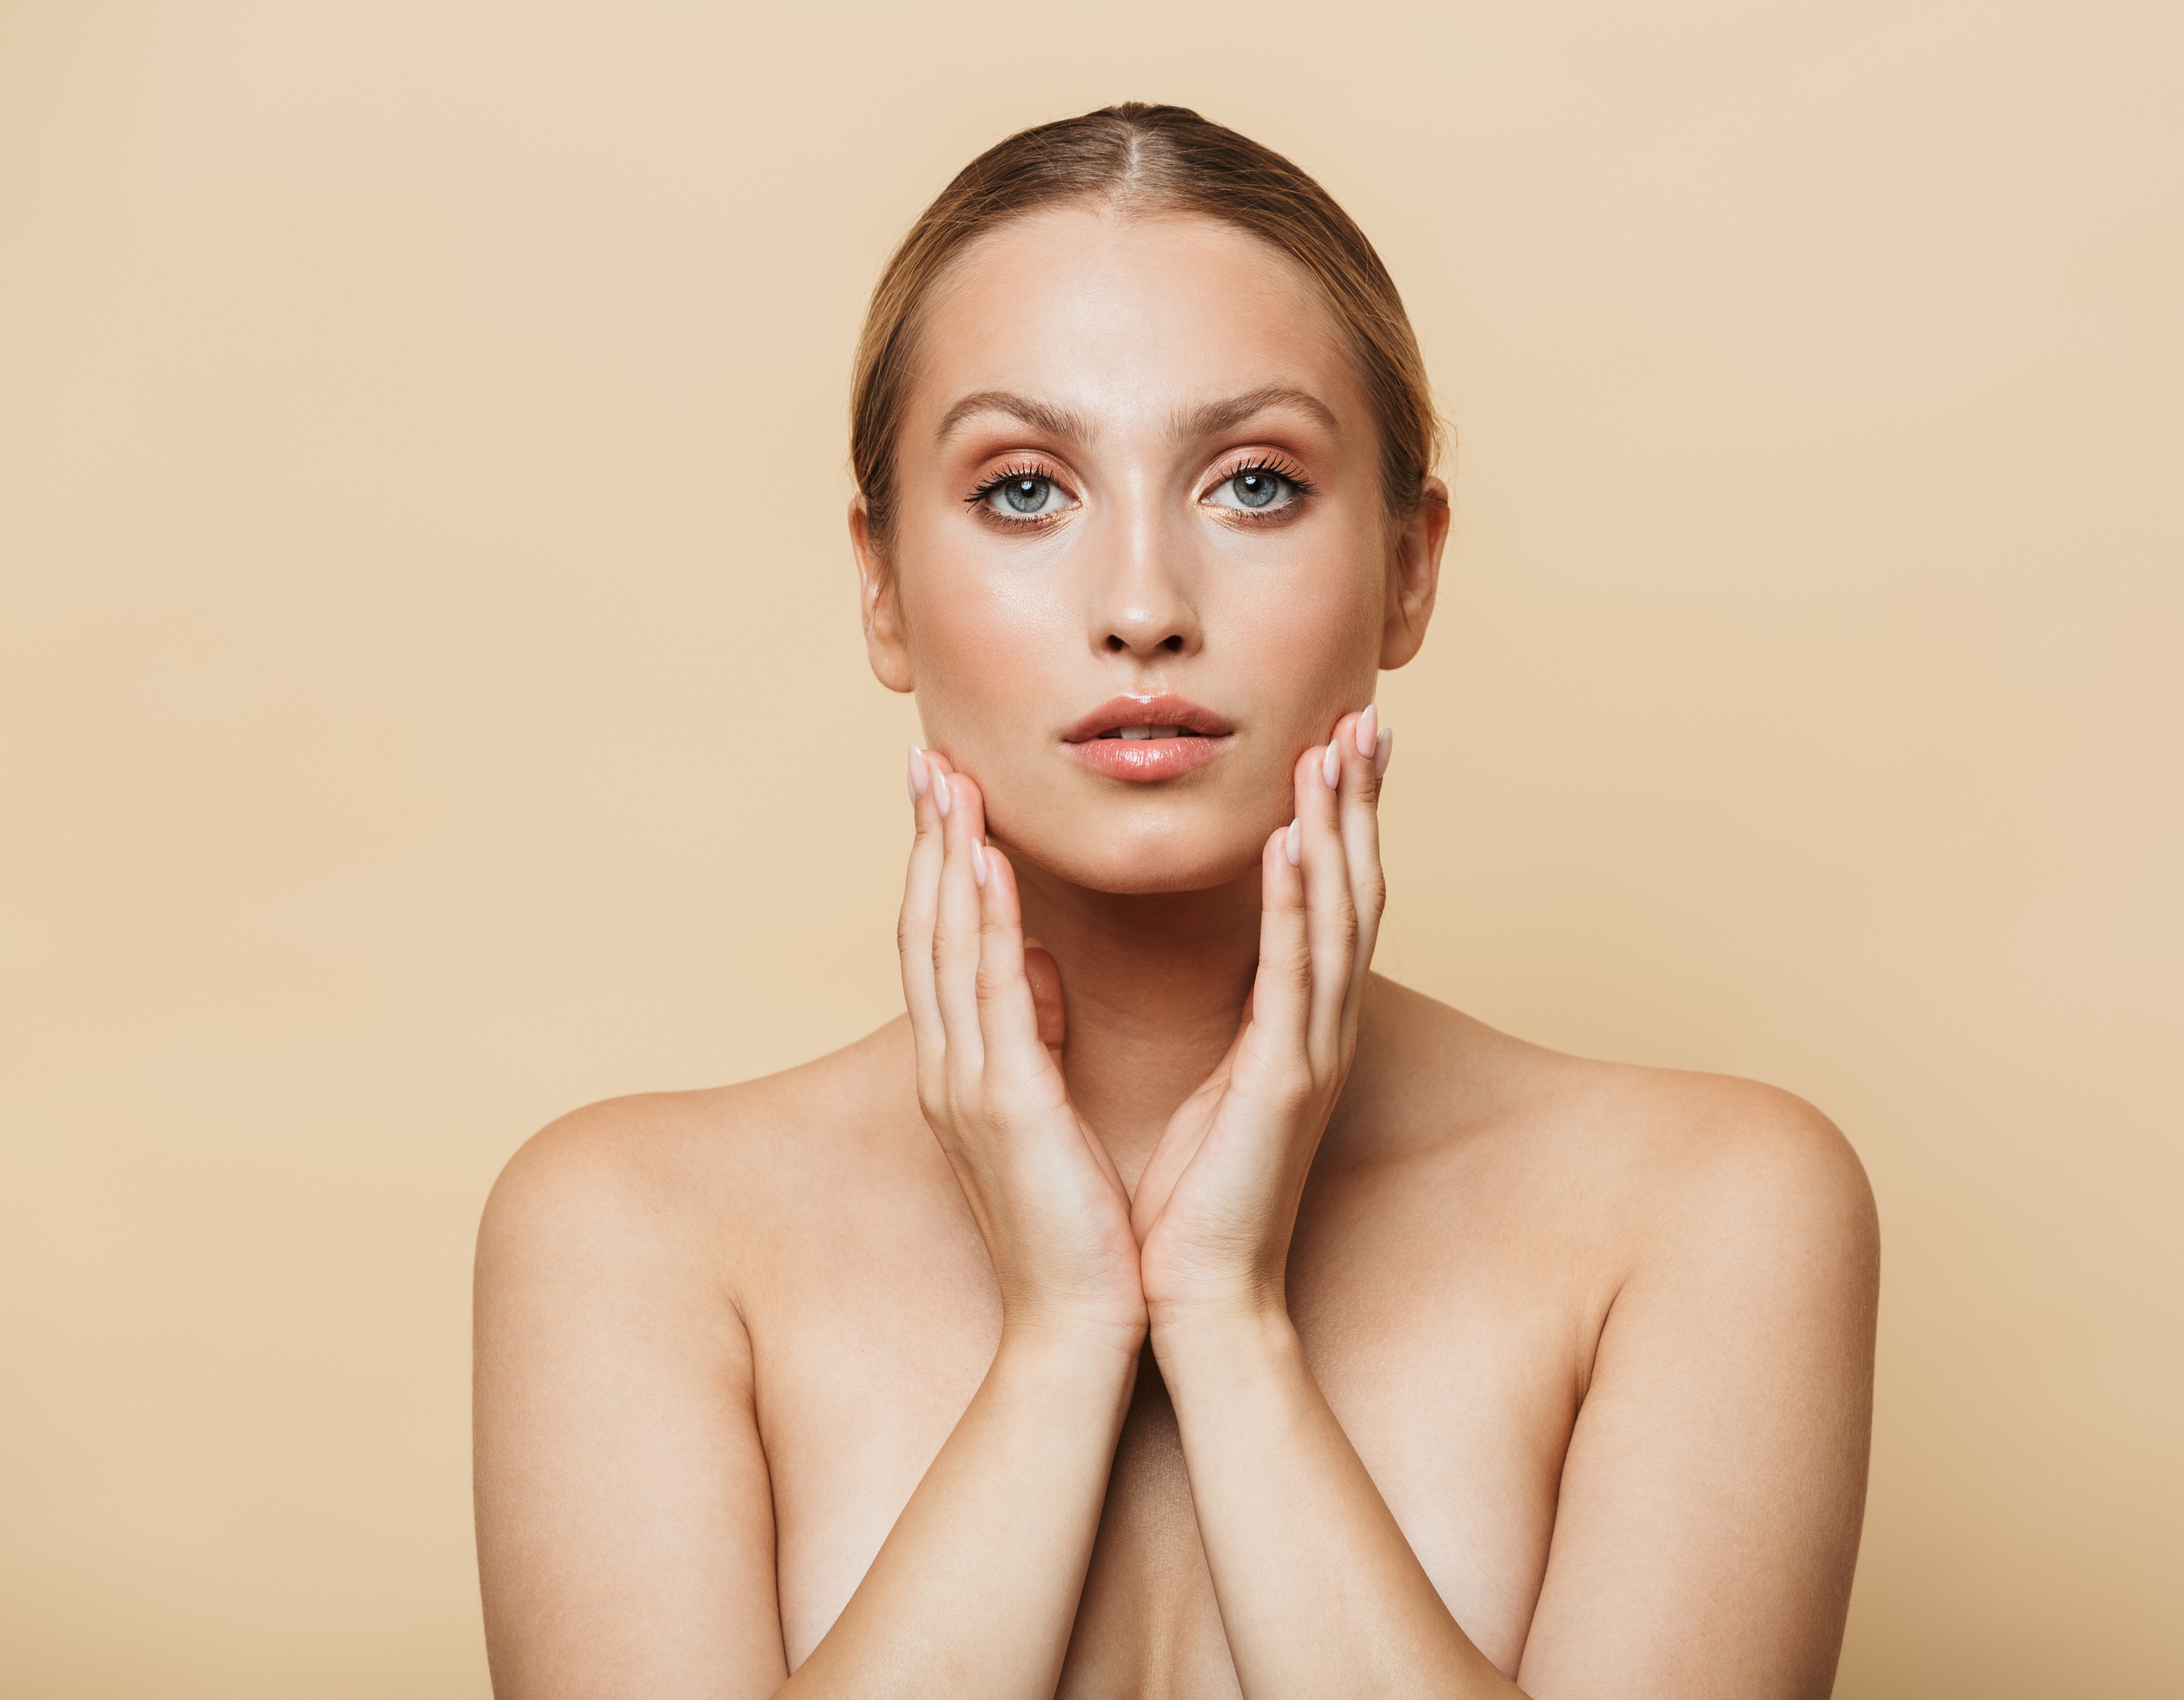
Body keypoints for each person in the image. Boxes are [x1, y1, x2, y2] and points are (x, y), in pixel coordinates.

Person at [472, 103, 1880, 1700]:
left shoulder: (1707, 1212)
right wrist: (1063, 1334)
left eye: (1254, 483)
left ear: (1411, 565)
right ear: (880, 582)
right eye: (1023, 490)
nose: (1142, 606)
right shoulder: (630, 1234)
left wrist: (1226, 1314)